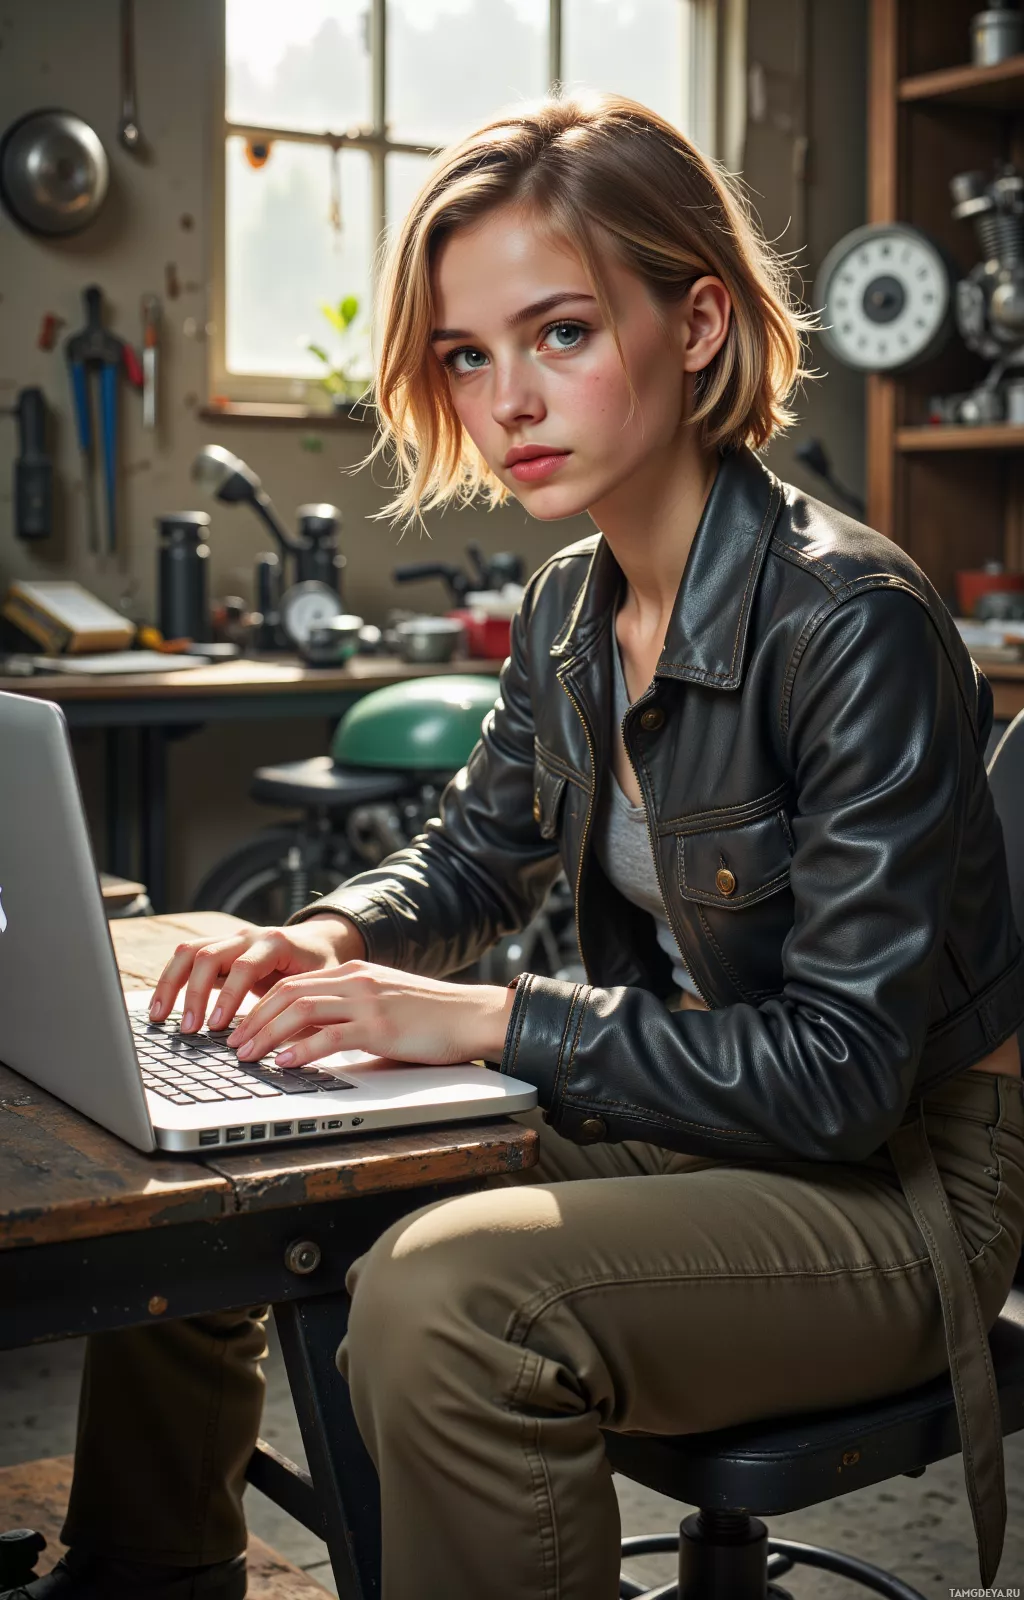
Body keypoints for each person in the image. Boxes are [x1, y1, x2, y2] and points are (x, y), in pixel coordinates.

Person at [15, 92, 1024, 1600]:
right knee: (226, 1158)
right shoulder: (568, 607)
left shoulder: (850, 624)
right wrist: (333, 938)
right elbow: (475, 862)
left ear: (695, 325)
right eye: (467, 357)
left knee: (445, 1300)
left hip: (901, 1191)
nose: (507, 403)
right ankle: (147, 1580)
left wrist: (491, 1018)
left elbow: (839, 1076)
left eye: (559, 334)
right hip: (703, 1113)